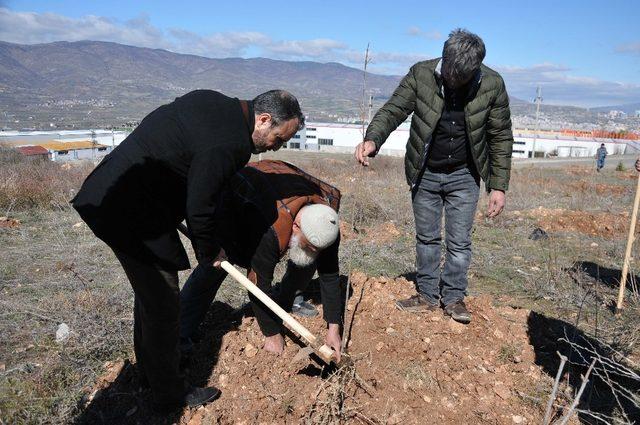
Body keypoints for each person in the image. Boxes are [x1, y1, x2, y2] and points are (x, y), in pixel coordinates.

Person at [72, 90, 304, 411]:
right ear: (263, 120)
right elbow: (200, 205)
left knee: (151, 298)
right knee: (164, 303)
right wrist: (209, 250)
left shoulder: (214, 103)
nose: (277, 147)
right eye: (279, 138)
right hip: (129, 209)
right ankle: (170, 394)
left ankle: (151, 373)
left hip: (118, 193)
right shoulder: (231, 144)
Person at [354, 29, 514, 324]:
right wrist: (373, 139)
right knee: (427, 238)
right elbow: (393, 110)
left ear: (474, 69)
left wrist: (498, 186)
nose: (451, 80)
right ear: (444, 57)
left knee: (459, 242)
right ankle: (427, 295)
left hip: (465, 175)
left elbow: (500, 137)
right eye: (449, 73)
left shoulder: (492, 85)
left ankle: (453, 298)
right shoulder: (422, 74)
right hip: (424, 172)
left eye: (459, 77)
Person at [179, 160, 344, 361]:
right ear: (296, 227)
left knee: (307, 256)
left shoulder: (326, 225)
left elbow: (329, 274)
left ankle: (285, 299)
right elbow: (257, 283)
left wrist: (334, 328)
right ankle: (180, 331)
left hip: (278, 190)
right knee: (217, 264)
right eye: (310, 244)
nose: (315, 250)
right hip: (235, 202)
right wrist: (272, 333)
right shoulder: (270, 232)